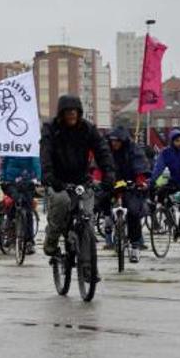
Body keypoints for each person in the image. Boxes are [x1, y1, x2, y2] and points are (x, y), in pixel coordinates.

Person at [41, 95, 115, 270]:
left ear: (79, 112)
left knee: (87, 218)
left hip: (81, 179)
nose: (71, 115)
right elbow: (45, 153)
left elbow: (102, 151)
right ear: (61, 113)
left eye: (74, 112)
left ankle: (88, 265)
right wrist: (49, 176)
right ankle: (51, 240)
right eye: (68, 112)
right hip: (58, 179)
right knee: (60, 203)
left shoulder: (88, 129)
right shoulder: (51, 129)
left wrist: (109, 174)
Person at [105, 126, 149, 263]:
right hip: (112, 182)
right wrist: (96, 177)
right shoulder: (106, 150)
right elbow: (100, 165)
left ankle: (135, 245)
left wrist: (140, 180)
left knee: (133, 210)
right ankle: (108, 222)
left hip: (129, 182)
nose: (114, 144)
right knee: (100, 200)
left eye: (117, 141)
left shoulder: (133, 149)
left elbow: (140, 165)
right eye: (112, 141)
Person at [150, 129, 180, 244]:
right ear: (172, 141)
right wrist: (152, 182)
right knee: (161, 193)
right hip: (175, 181)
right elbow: (159, 168)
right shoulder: (165, 153)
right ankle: (171, 218)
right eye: (177, 141)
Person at [0, 155, 41, 255]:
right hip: (11, 182)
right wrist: (2, 178)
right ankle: (10, 232)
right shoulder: (10, 149)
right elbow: (4, 164)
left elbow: (36, 163)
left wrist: (39, 178)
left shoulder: (29, 149)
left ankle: (29, 241)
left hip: (27, 181)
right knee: (13, 202)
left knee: (28, 210)